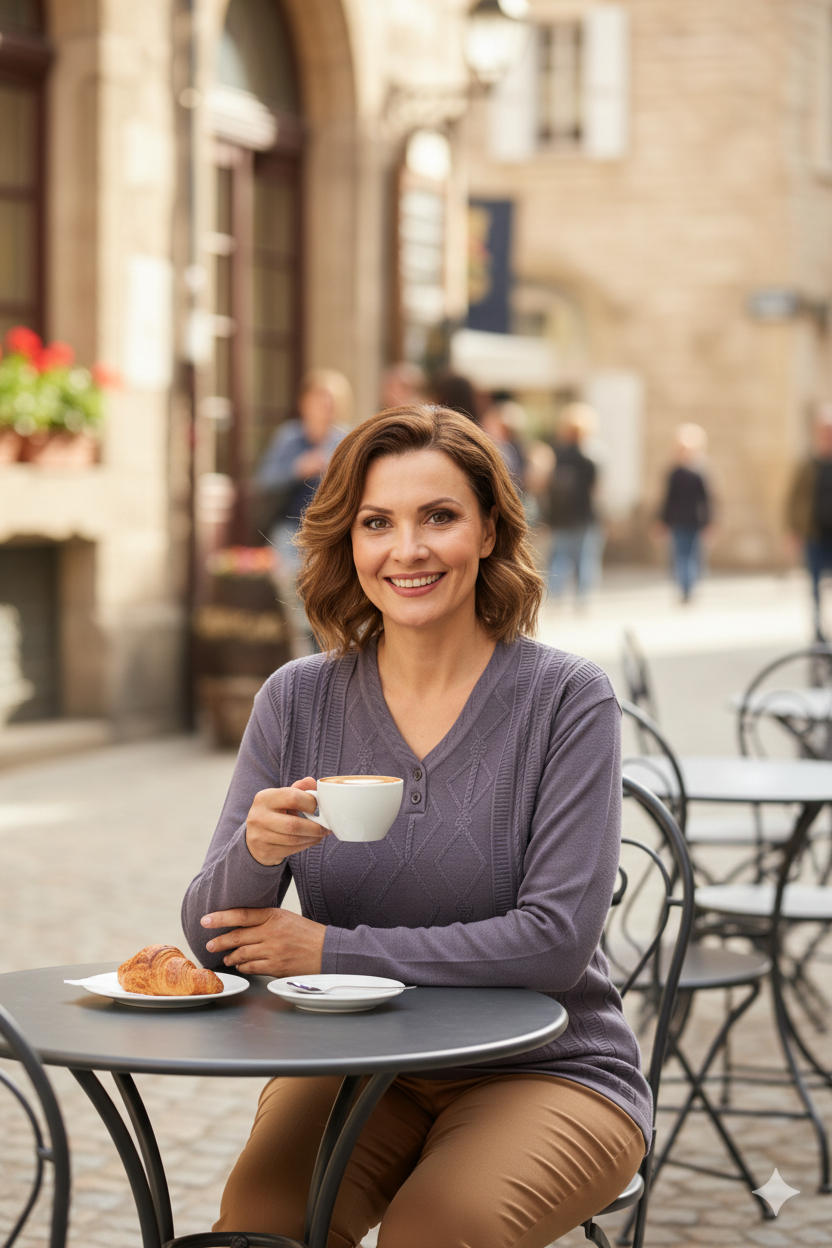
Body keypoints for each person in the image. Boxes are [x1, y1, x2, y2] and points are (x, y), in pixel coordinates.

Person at [182, 405, 649, 1248]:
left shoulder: (566, 700)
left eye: (439, 516)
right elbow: (215, 944)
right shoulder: (296, 699)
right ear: (347, 541)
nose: (408, 549)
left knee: (435, 1232)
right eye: (377, 523)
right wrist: (253, 852)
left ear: (489, 531)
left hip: (549, 1065)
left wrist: (330, 950)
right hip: (352, 1063)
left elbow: (553, 943)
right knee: (259, 1228)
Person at [256, 369, 352, 654]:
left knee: (328, 595)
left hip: (329, 534)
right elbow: (263, 482)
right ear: (305, 403)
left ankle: (327, 652)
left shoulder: (343, 440)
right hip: (288, 532)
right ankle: (305, 659)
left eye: (331, 401)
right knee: (295, 594)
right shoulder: (289, 438)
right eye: (319, 399)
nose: (325, 407)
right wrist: (298, 469)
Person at [544, 403, 603, 603]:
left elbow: (548, 486)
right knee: (584, 559)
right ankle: (582, 599)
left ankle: (555, 596)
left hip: (561, 516)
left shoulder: (557, 455)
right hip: (584, 515)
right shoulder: (590, 457)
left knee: (559, 558)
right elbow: (596, 490)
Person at [786, 406, 832, 639]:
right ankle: (818, 635)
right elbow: (793, 499)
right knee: (815, 588)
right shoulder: (808, 464)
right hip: (814, 535)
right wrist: (793, 530)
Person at [658, 423, 712, 604]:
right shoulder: (674, 473)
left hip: (695, 521)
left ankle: (690, 587)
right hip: (678, 521)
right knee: (680, 556)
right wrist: (662, 521)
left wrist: (710, 523)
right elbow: (667, 499)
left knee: (693, 556)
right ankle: (684, 588)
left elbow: (707, 500)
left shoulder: (701, 472)